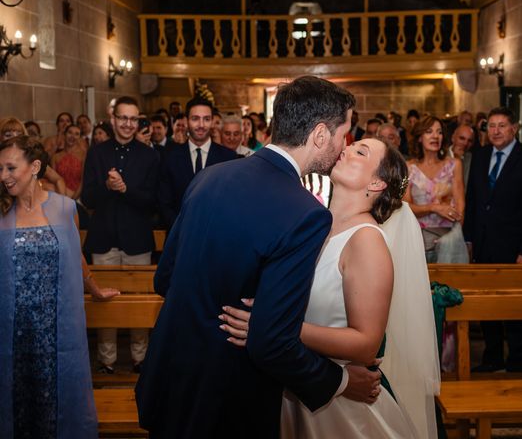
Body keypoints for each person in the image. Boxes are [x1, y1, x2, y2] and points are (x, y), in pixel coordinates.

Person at [136, 76, 381, 438]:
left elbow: (164, 280)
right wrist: (342, 381)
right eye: (343, 133)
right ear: (319, 135)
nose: (344, 145)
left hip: (170, 381)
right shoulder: (304, 213)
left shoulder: (210, 177)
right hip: (228, 401)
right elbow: (273, 344)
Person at [221, 138, 441, 438]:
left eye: (360, 151)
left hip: (343, 410)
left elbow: (366, 343)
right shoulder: (317, 225)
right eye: (350, 145)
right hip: (300, 388)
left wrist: (273, 327)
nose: (346, 149)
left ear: (377, 183)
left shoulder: (367, 242)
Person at [0, 135, 118, 438]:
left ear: (35, 166)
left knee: (57, 407)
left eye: (11, 168)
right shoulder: (2, 212)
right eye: (0, 169)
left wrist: (93, 288)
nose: (4, 176)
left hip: (55, 330)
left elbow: (75, 254)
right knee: (17, 408)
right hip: (13, 331)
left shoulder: (65, 208)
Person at [464, 106, 522, 372]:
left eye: (502, 126)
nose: (496, 131)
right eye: (491, 126)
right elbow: (474, 201)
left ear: (514, 128)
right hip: (483, 245)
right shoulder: (480, 156)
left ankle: (517, 361)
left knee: (515, 308)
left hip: (515, 247)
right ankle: (492, 358)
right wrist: (469, 240)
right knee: (485, 304)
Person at [82, 96, 160, 374]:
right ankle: (107, 361)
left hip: (137, 240)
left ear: (138, 121)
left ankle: (140, 357)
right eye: (122, 118)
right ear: (113, 119)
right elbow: (87, 197)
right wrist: (107, 185)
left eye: (133, 119)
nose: (128, 124)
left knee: (139, 301)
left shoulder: (150, 155)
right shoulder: (97, 153)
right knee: (105, 303)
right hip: (103, 239)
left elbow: (153, 201)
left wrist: (125, 189)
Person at [158, 96, 237, 229]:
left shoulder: (228, 158)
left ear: (212, 122)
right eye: (195, 119)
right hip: (179, 236)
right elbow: (163, 203)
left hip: (217, 237)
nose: (201, 125)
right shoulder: (169, 157)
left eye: (206, 119)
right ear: (187, 121)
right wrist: (181, 228)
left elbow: (233, 201)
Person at [404, 117, 466, 263]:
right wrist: (434, 208)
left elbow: (460, 206)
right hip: (416, 239)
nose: (435, 136)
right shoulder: (408, 168)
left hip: (448, 238)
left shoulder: (454, 165)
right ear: (420, 138)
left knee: (449, 285)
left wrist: (453, 237)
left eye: (439, 132)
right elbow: (405, 207)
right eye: (429, 131)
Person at [51, 124, 86, 200]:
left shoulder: (84, 156)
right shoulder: (55, 157)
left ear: (80, 138)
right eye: (70, 132)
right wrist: (63, 199)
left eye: (76, 134)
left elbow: (83, 181)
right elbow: (53, 180)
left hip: (79, 198)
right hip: (59, 197)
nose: (72, 136)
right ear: (64, 135)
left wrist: (73, 200)